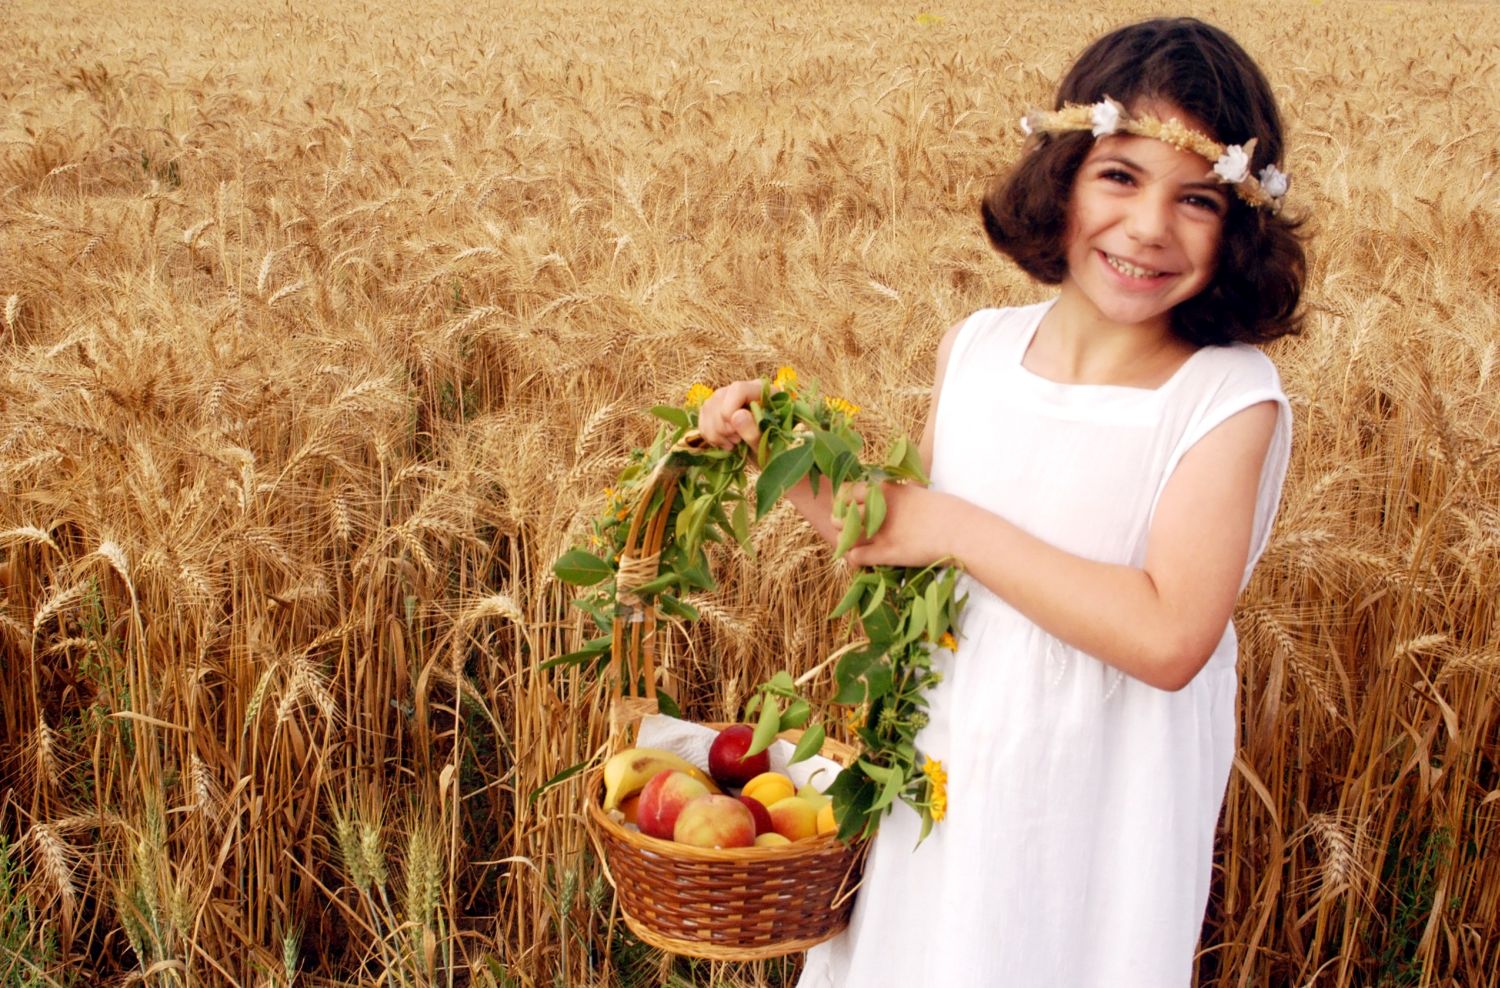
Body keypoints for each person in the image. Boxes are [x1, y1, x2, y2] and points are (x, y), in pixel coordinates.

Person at [697, 16, 1306, 988]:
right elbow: (899, 541)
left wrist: (960, 527)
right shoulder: (978, 347)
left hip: (1094, 807)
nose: (1149, 226)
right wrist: (786, 458)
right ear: (1059, 176)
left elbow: (1169, 636)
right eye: (1119, 175)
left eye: (1197, 198)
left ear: (1239, 227)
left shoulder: (1226, 399)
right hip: (940, 769)